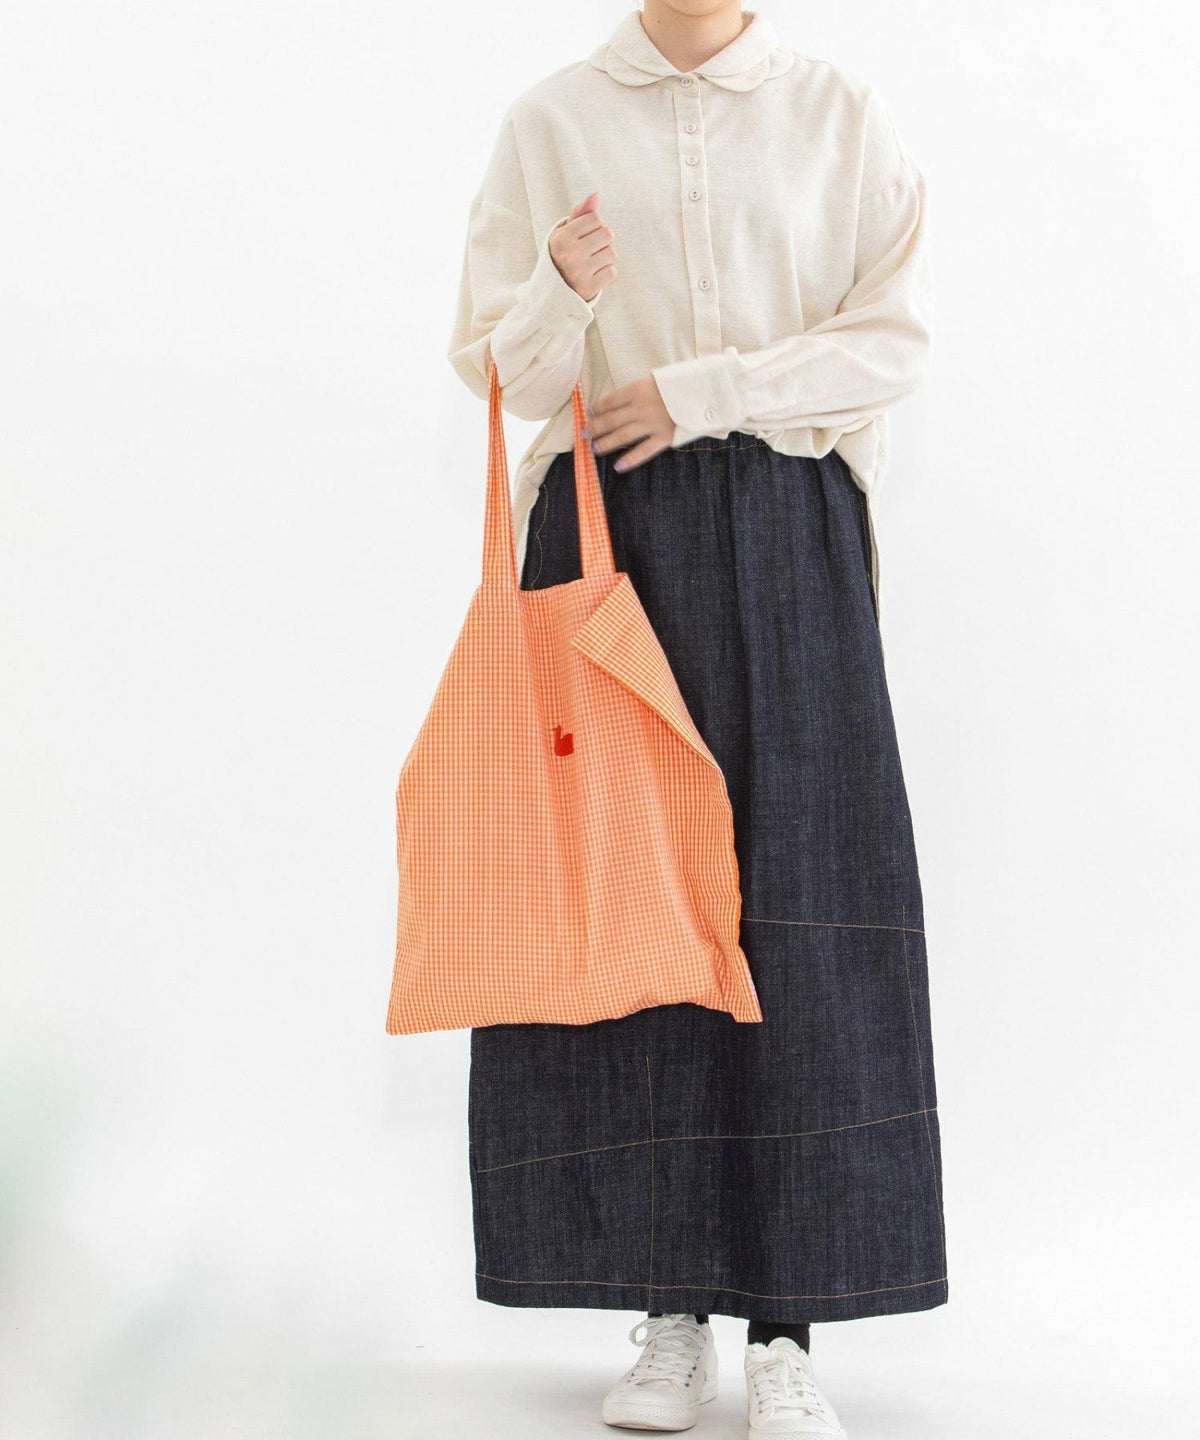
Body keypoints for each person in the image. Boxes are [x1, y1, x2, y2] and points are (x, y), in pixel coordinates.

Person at [446, 4, 946, 1435]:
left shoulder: (838, 111)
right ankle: (670, 1308)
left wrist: (708, 390)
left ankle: (788, 1326)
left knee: (800, 905)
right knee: (632, 906)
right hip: (611, 535)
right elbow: (497, 377)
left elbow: (893, 342)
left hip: (790, 523)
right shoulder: (553, 118)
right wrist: (559, 294)